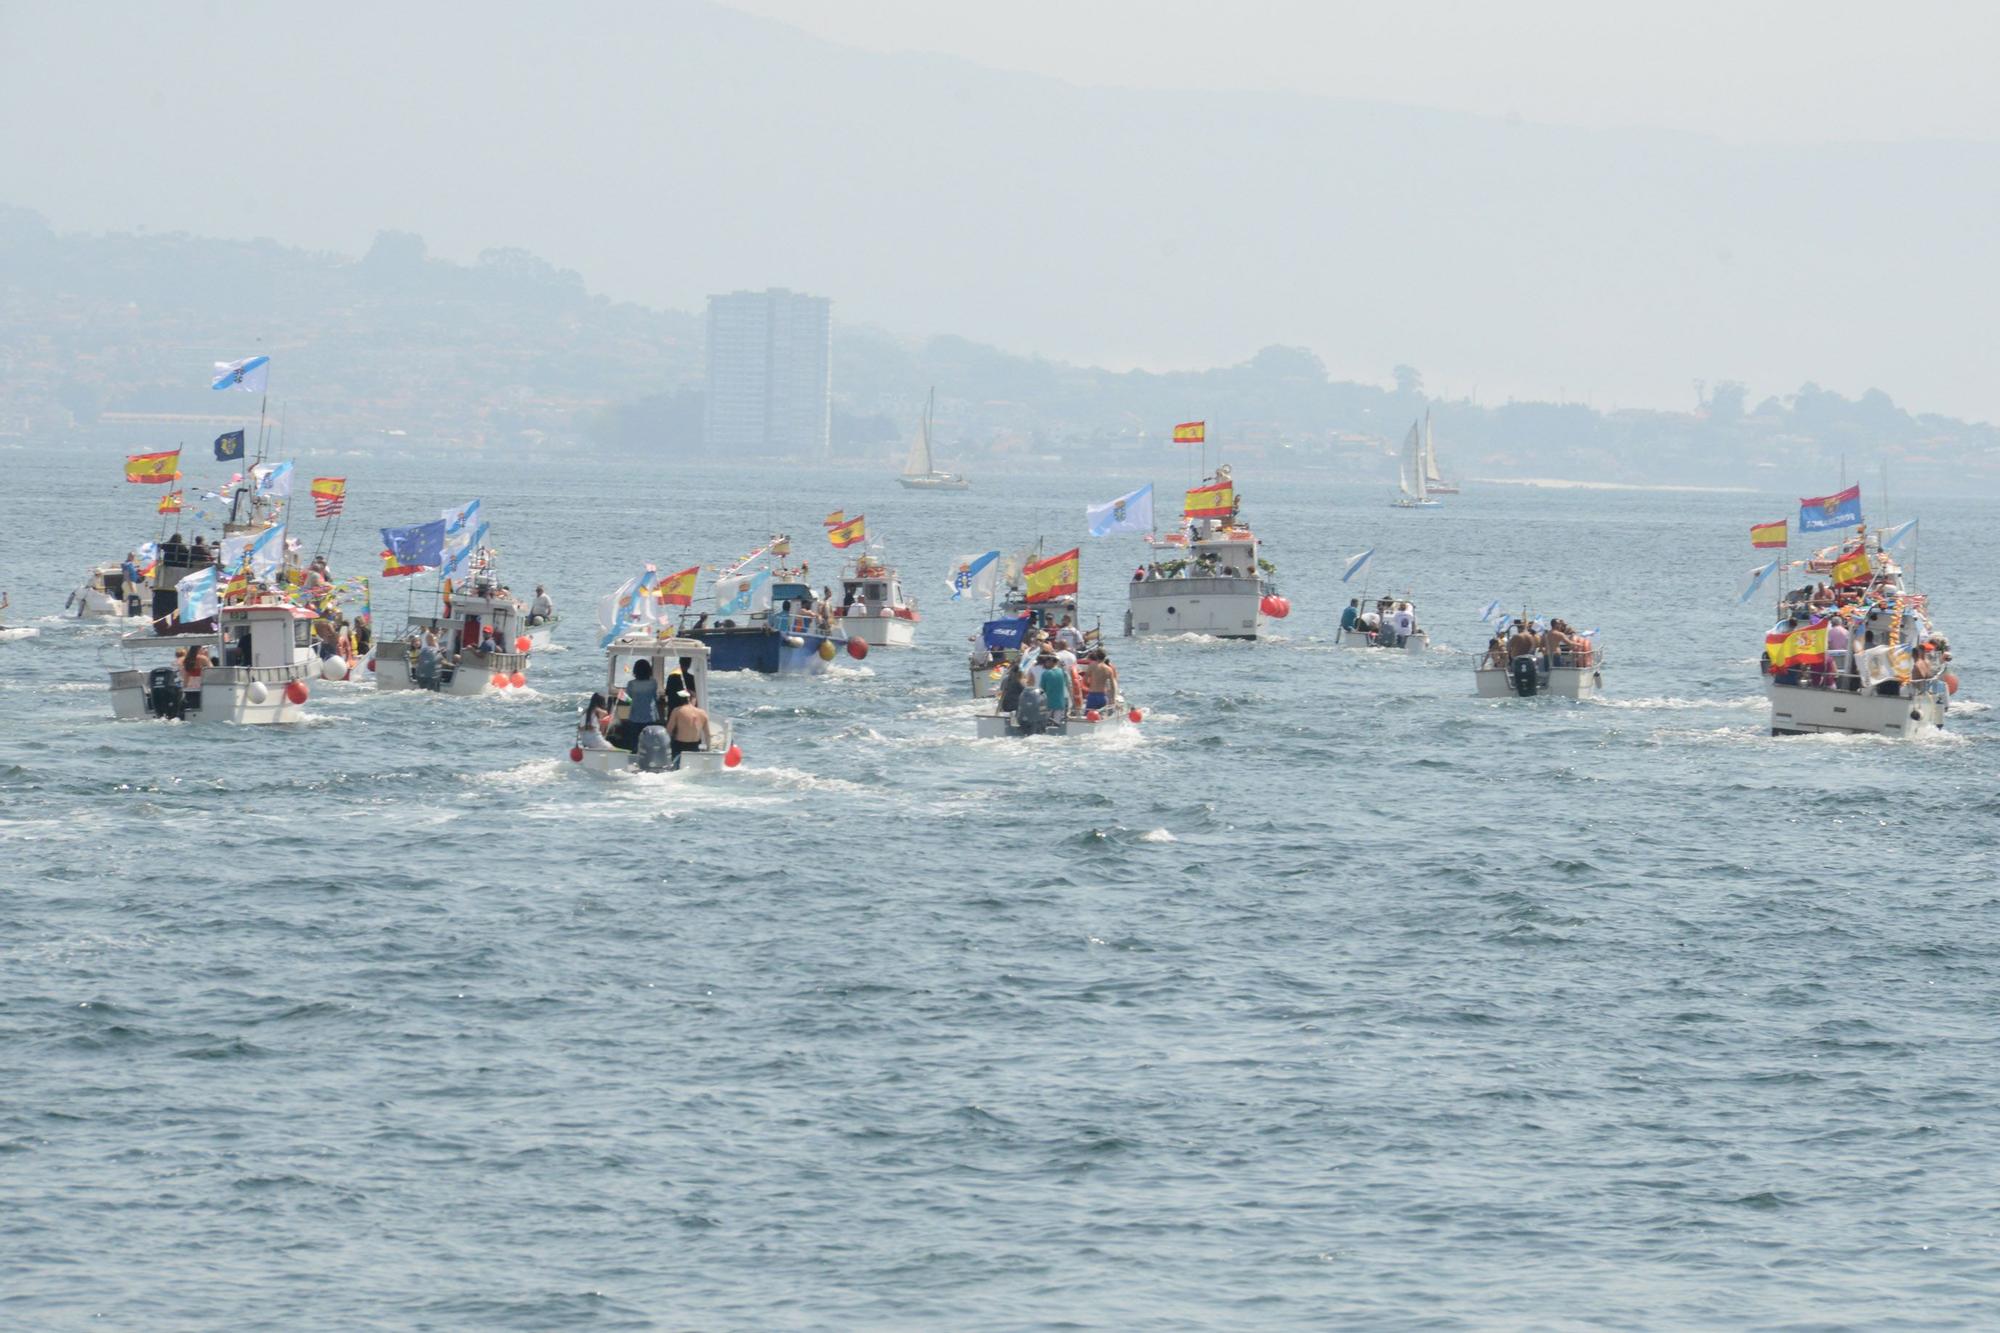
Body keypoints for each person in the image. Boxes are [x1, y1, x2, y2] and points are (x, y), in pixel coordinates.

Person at [620, 658, 660, 747]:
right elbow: (655, 697)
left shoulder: (631, 684)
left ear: (635, 670)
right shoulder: (653, 683)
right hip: (649, 717)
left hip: (634, 717)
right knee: (649, 743)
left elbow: (628, 700)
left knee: (635, 742)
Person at [667, 692, 712, 763]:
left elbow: (669, 731)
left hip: (680, 746)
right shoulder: (703, 713)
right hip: (695, 747)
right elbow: (708, 735)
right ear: (693, 699)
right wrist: (708, 750)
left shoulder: (677, 711)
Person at [1038, 651, 1070, 716]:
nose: (1045, 663)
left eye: (1046, 661)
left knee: (1046, 724)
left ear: (1051, 661)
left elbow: (1041, 691)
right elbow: (1068, 685)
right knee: (1058, 724)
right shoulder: (1063, 672)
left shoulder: (1046, 674)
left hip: (1048, 704)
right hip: (1060, 704)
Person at [181, 645, 208, 711]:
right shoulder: (203, 658)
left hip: (190, 683)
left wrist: (184, 687)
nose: (204, 650)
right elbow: (211, 670)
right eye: (203, 648)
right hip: (201, 683)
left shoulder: (187, 659)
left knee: (191, 703)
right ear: (199, 649)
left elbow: (186, 676)